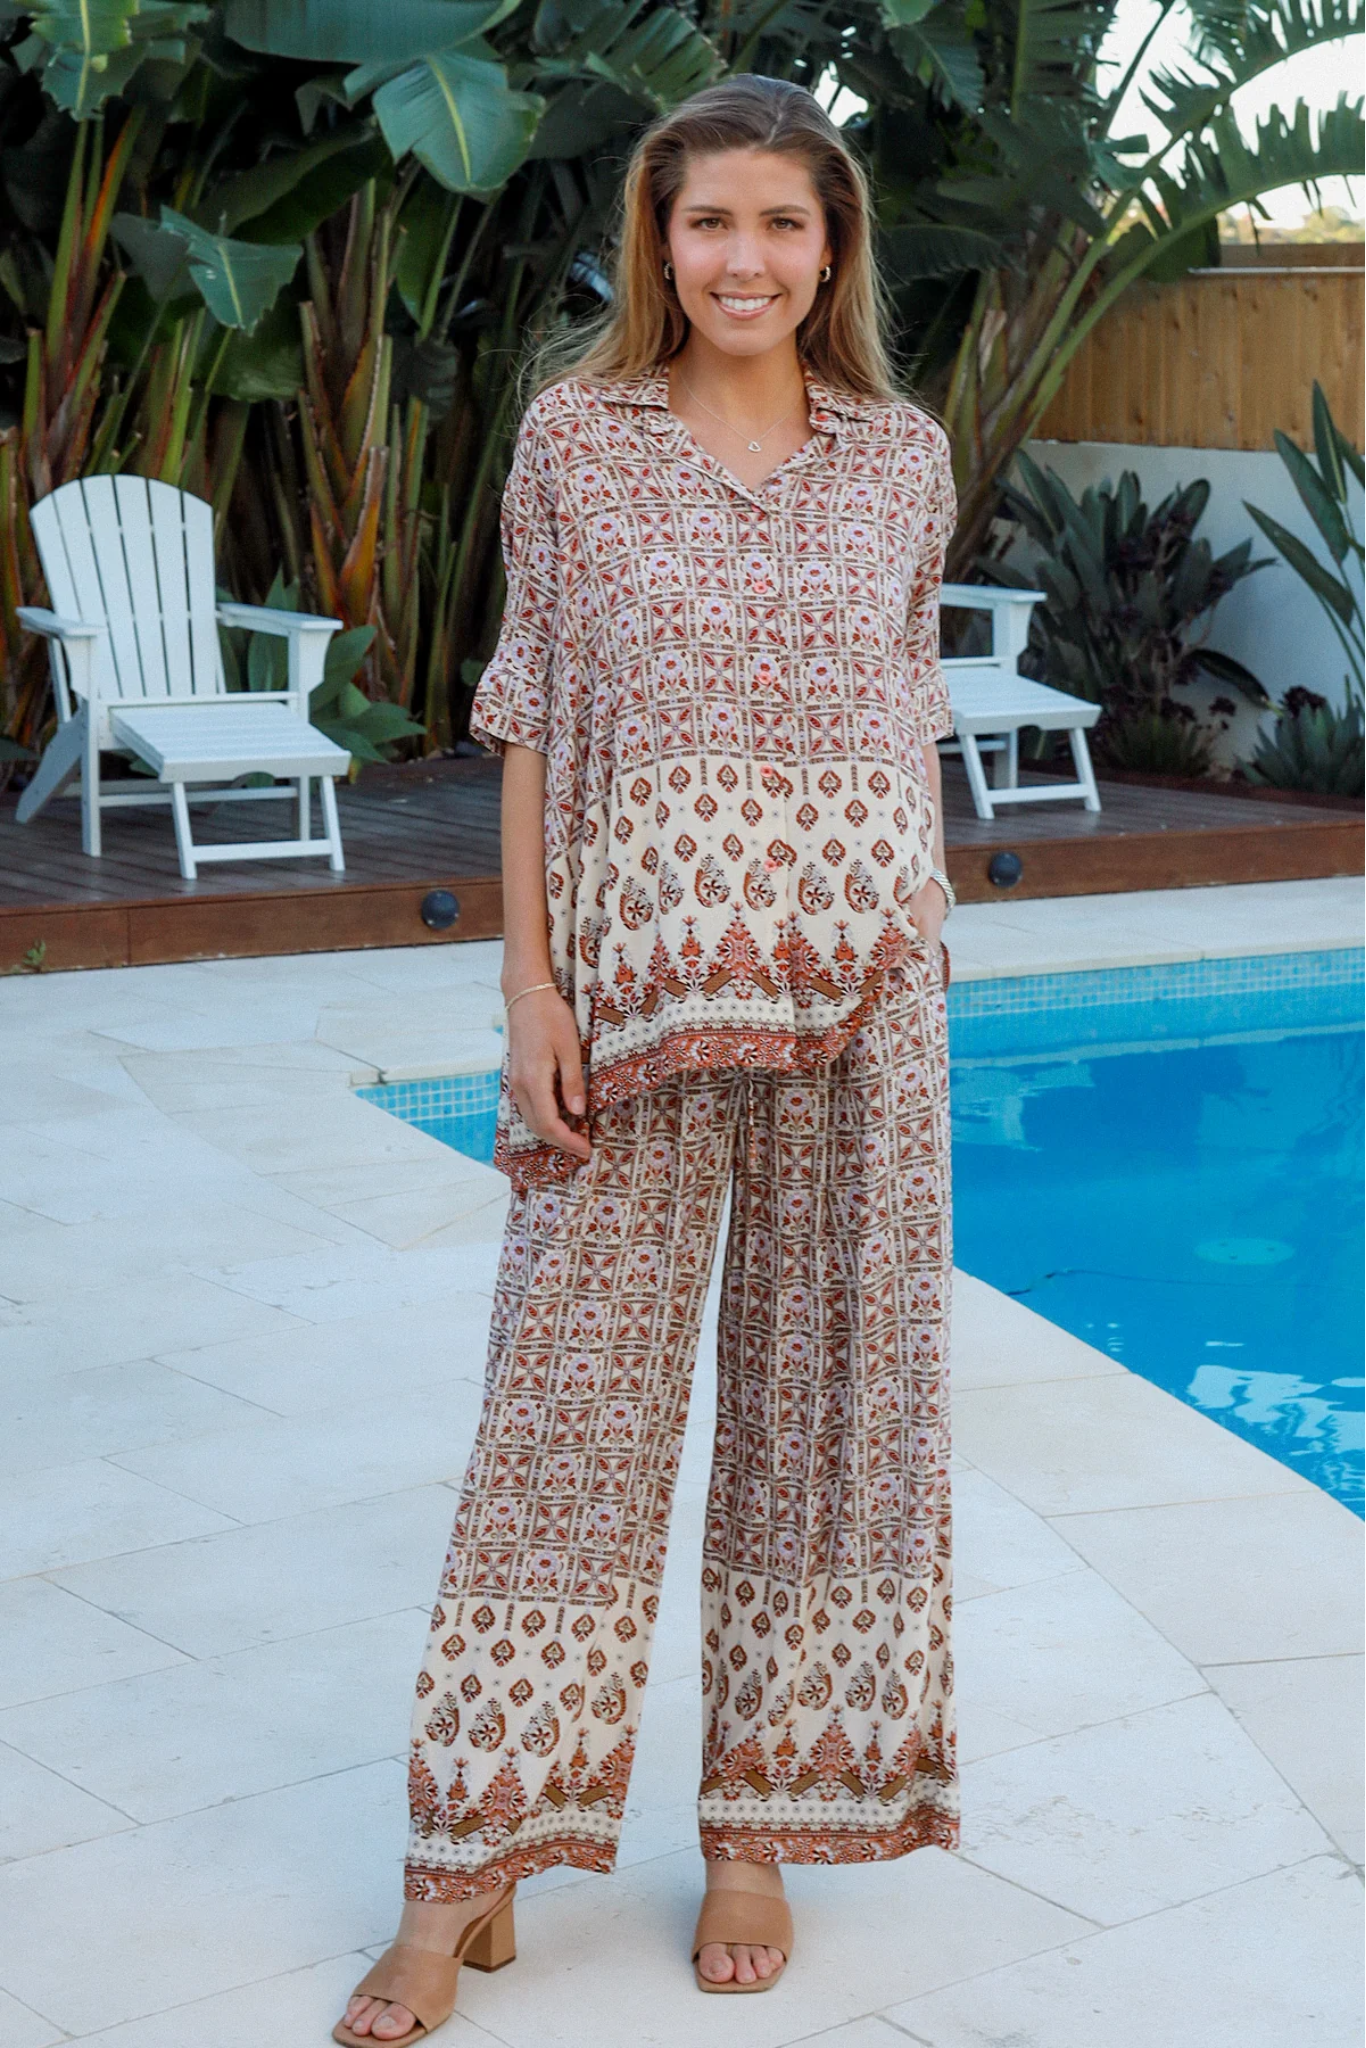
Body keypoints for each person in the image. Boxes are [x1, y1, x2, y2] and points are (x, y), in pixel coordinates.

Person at [335, 71, 959, 2048]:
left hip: (863, 1001)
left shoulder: (899, 455)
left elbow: (894, 707)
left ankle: (755, 1825)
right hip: (625, 992)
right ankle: (461, 1869)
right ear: (658, 243)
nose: (745, 260)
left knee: (822, 1421)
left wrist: (903, 940)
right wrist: (525, 989)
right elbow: (525, 709)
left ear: (831, 244)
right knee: (564, 1425)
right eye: (709, 226)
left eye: (782, 224)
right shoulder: (577, 440)